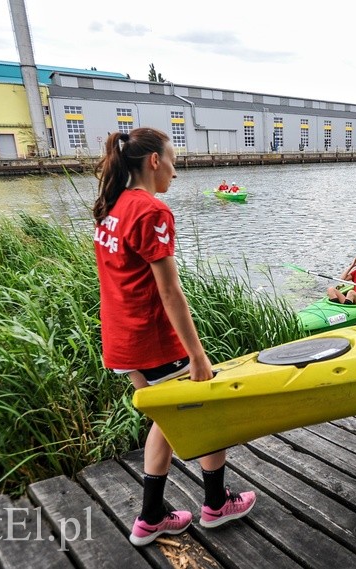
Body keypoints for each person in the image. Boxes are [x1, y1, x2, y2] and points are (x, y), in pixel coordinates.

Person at [92, 128, 256, 547]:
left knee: (165, 421)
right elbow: (169, 291)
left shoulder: (113, 206)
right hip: (153, 342)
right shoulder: (150, 211)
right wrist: (197, 356)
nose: (175, 172)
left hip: (121, 339)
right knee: (210, 416)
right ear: (153, 162)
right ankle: (217, 505)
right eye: (173, 161)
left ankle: (152, 516)